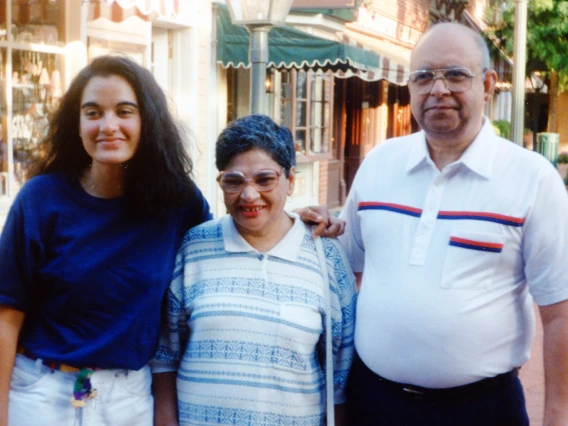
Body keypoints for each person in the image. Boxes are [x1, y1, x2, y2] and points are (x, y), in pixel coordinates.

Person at [339, 23, 568, 426]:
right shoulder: (378, 165)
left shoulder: (532, 179)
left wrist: (557, 416)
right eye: (423, 76)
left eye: (455, 75)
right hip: (373, 402)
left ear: (489, 84)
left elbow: (560, 313)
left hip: (481, 410)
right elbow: (344, 273)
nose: (437, 89)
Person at [151, 114, 357, 426]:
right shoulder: (195, 246)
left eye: (265, 180)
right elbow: (165, 355)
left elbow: (340, 373)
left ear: (290, 181)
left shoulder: (325, 255)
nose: (249, 196)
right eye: (234, 181)